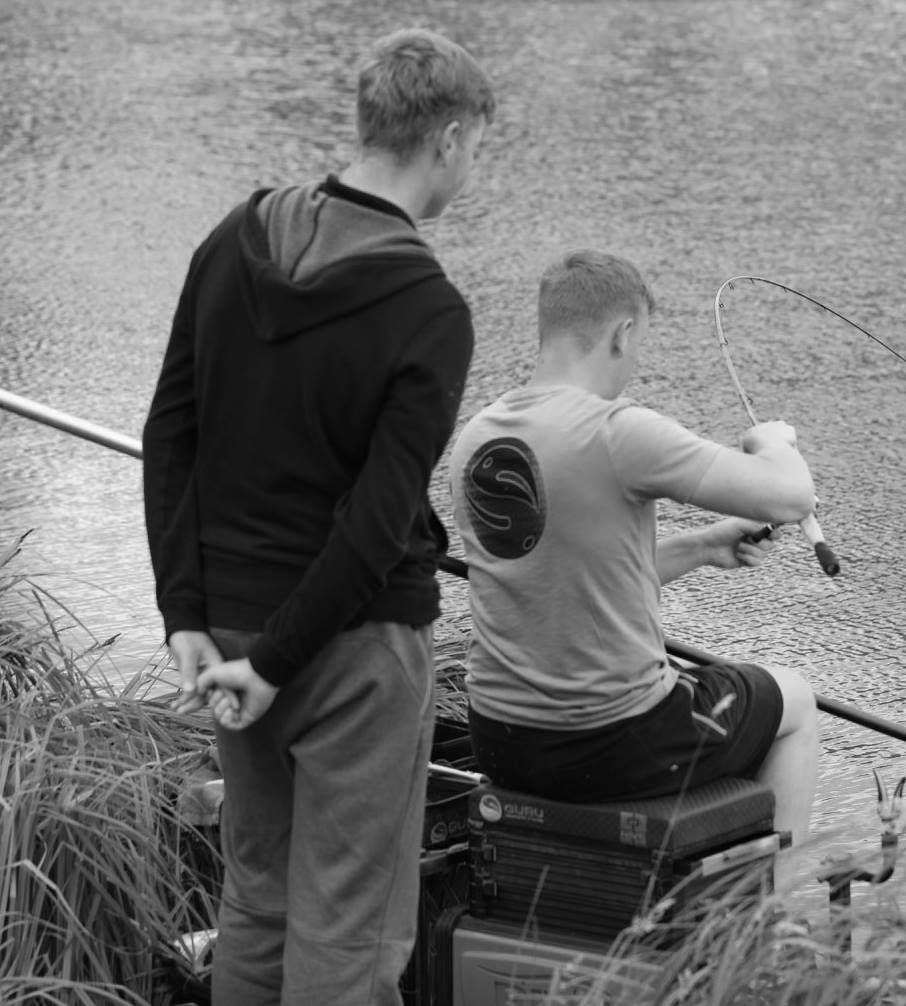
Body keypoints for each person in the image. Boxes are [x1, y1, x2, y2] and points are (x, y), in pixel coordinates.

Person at [141, 29, 494, 1006]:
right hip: (354, 654)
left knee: (258, 899)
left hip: (230, 630)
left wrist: (186, 614)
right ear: (449, 138)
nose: (471, 166)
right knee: (350, 930)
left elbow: (170, 432)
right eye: (476, 148)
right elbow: (378, 522)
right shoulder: (429, 308)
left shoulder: (236, 237)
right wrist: (280, 661)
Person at [449, 249, 821, 873]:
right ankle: (770, 919)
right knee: (797, 701)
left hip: (501, 738)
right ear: (622, 334)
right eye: (639, 343)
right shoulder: (619, 431)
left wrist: (702, 546)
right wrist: (772, 442)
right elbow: (790, 496)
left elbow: (562, 582)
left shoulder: (478, 439)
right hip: (612, 742)